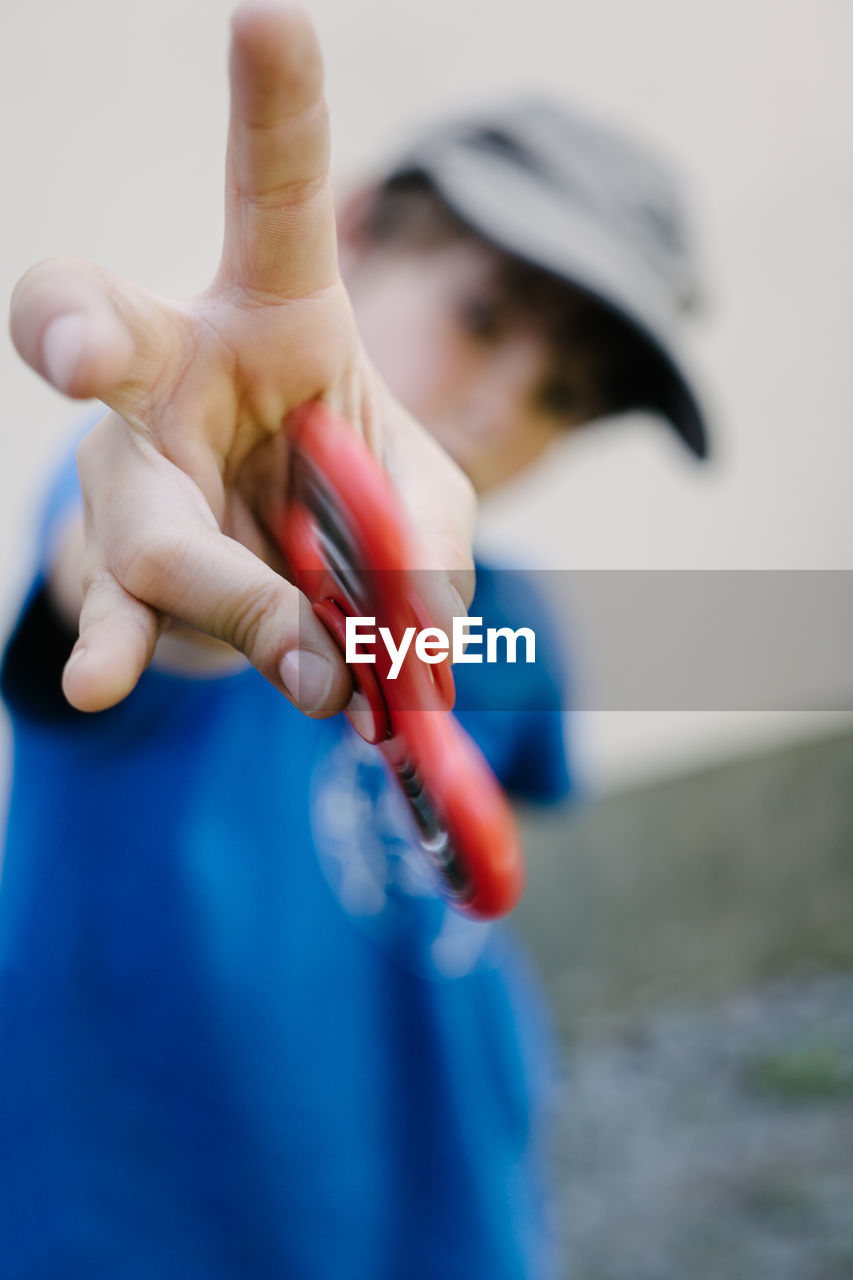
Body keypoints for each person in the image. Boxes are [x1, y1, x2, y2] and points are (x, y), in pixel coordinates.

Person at [0, 4, 707, 1278]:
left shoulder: (515, 623)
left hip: (453, 1218)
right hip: (139, 1226)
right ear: (358, 228)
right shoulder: (172, 499)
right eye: (485, 318)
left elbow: (482, 848)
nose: (503, 404)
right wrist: (216, 538)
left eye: (566, 397)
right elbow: (124, 583)